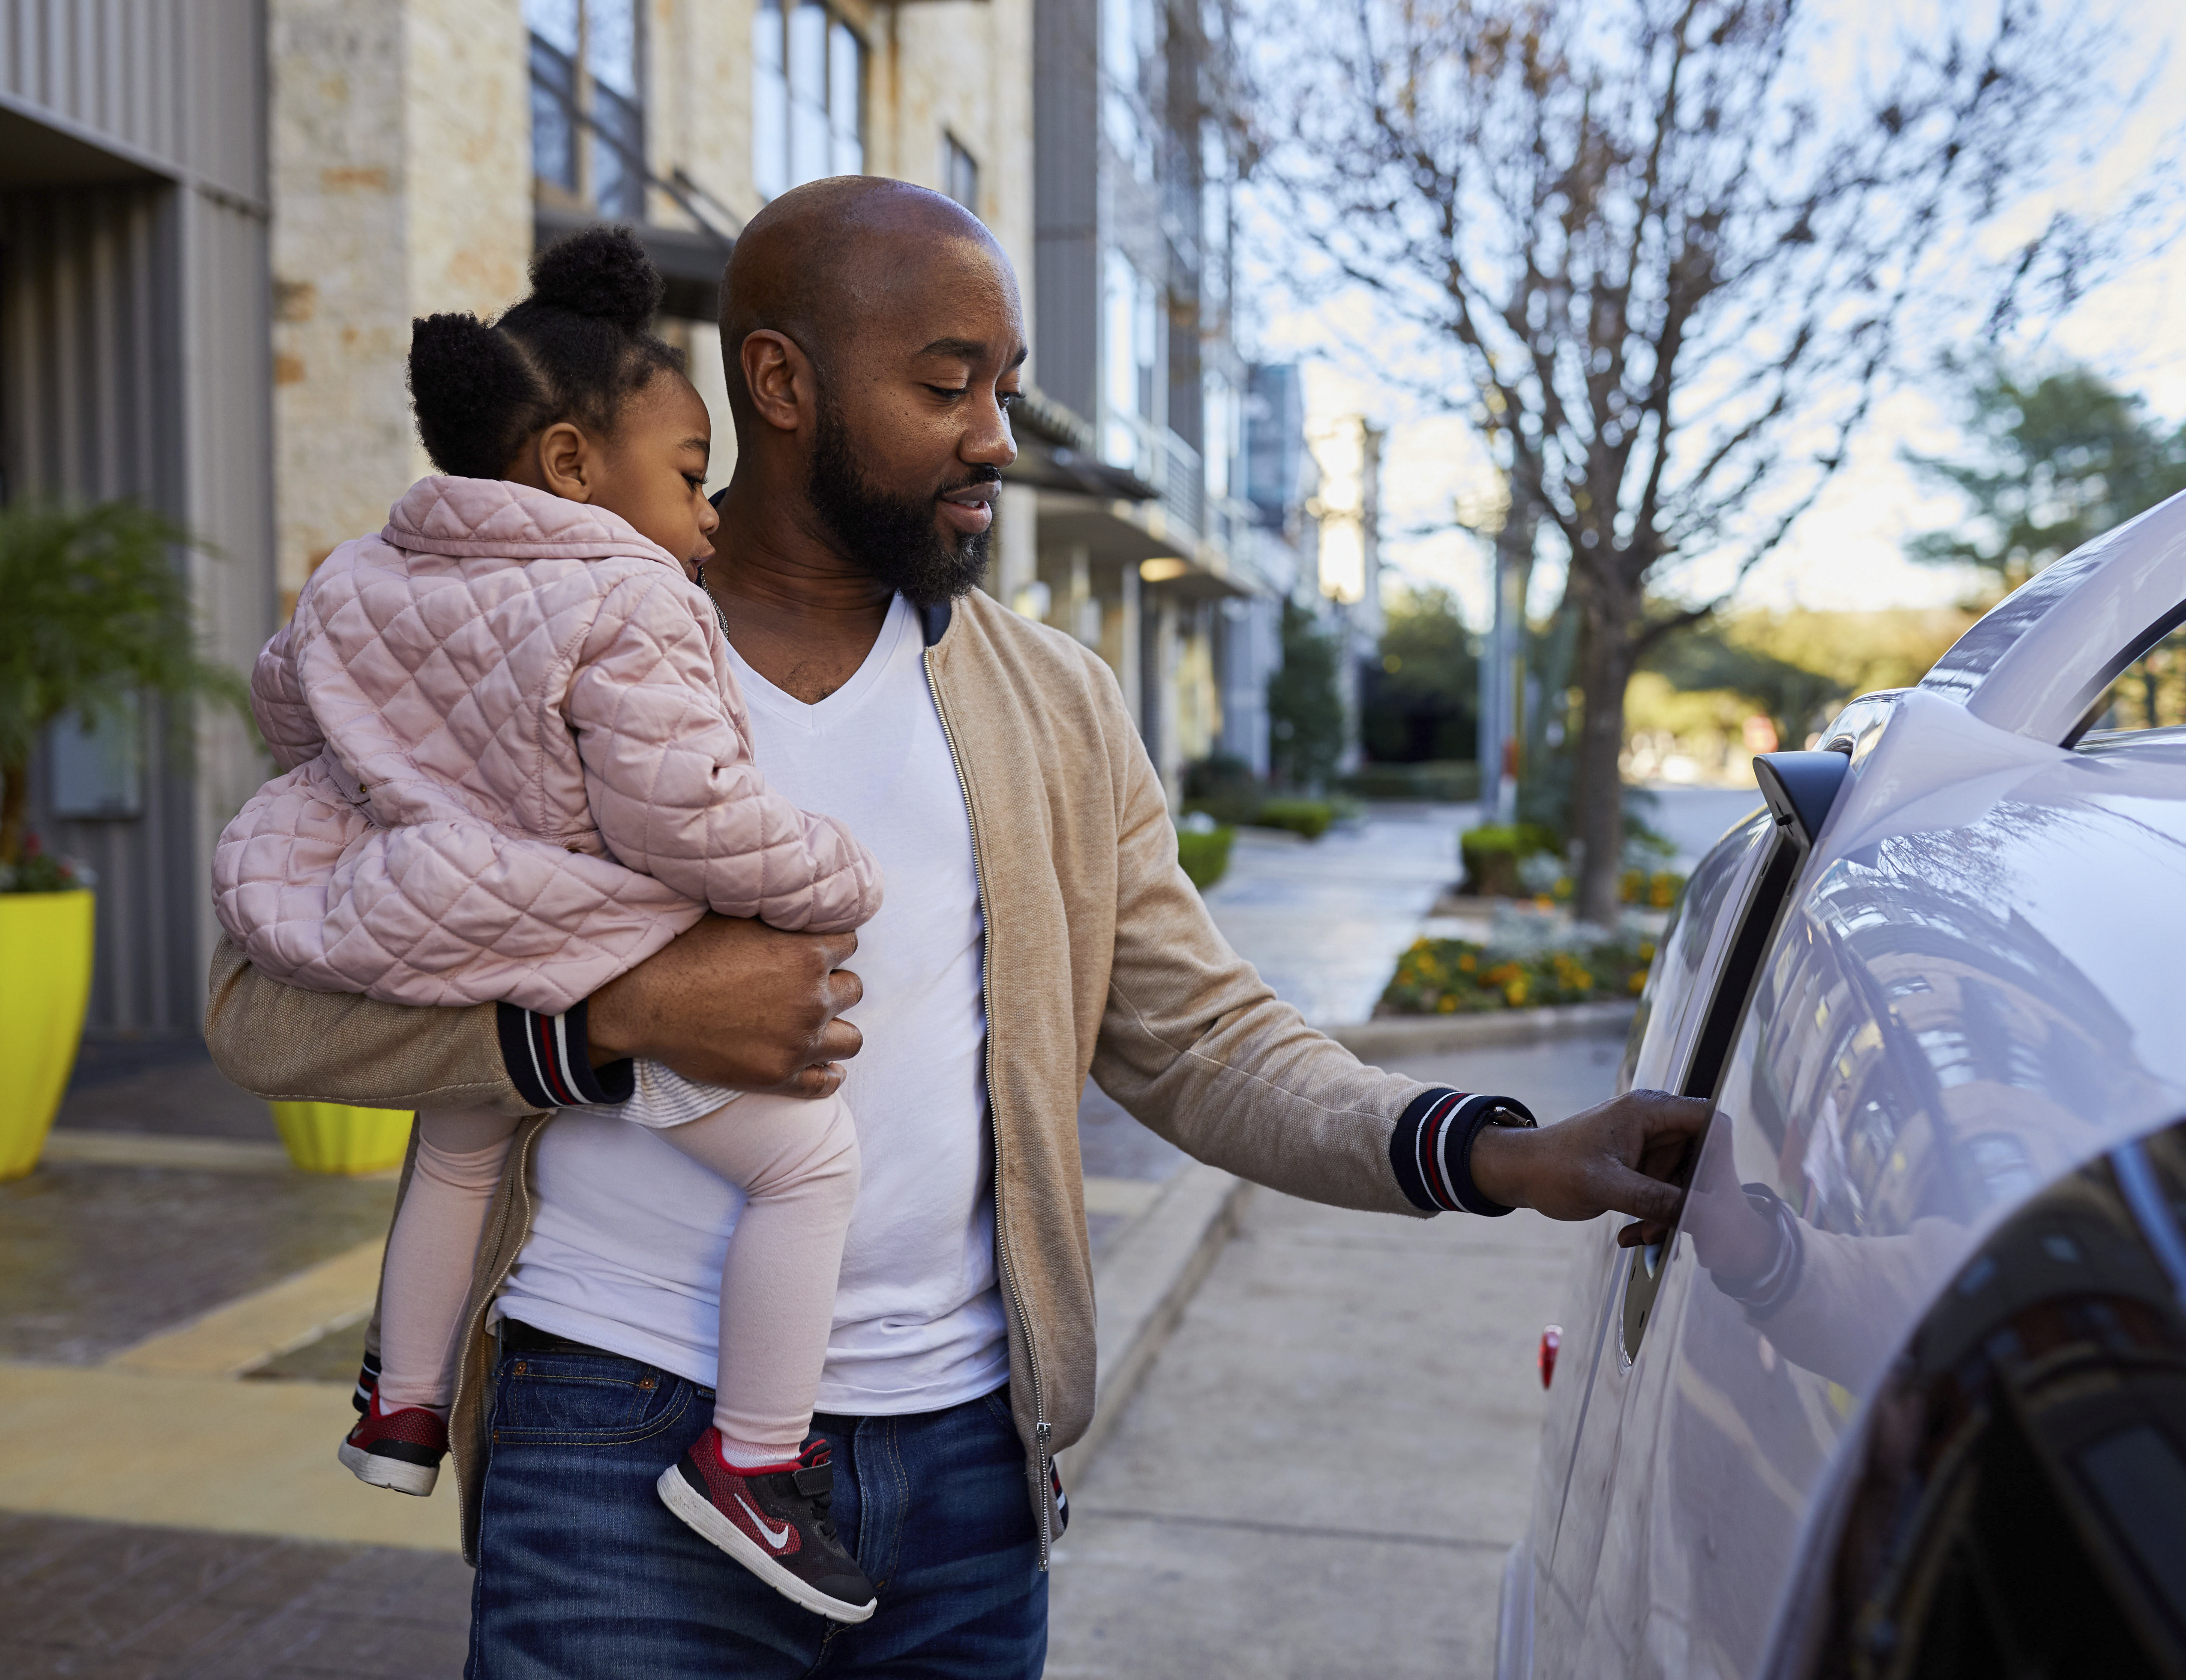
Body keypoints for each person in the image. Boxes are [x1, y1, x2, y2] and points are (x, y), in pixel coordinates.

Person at [205, 176, 1709, 1678]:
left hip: (967, 1477)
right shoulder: (544, 640)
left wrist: (1500, 1154)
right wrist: (615, 1023)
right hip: (611, 1442)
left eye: (1005, 387)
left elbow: (1200, 1038)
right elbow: (264, 1004)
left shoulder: (1051, 703)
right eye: (945, 385)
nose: (994, 433)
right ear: (780, 381)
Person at [210, 228, 886, 1622]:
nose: (708, 515)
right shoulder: (628, 594)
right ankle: (754, 1464)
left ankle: (400, 1409)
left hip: (436, 924)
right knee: (809, 1164)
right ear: (575, 468)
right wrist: (834, 875)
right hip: (580, 934)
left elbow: (294, 709)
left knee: (459, 1150)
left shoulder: (359, 571)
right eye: (692, 476)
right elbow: (680, 817)